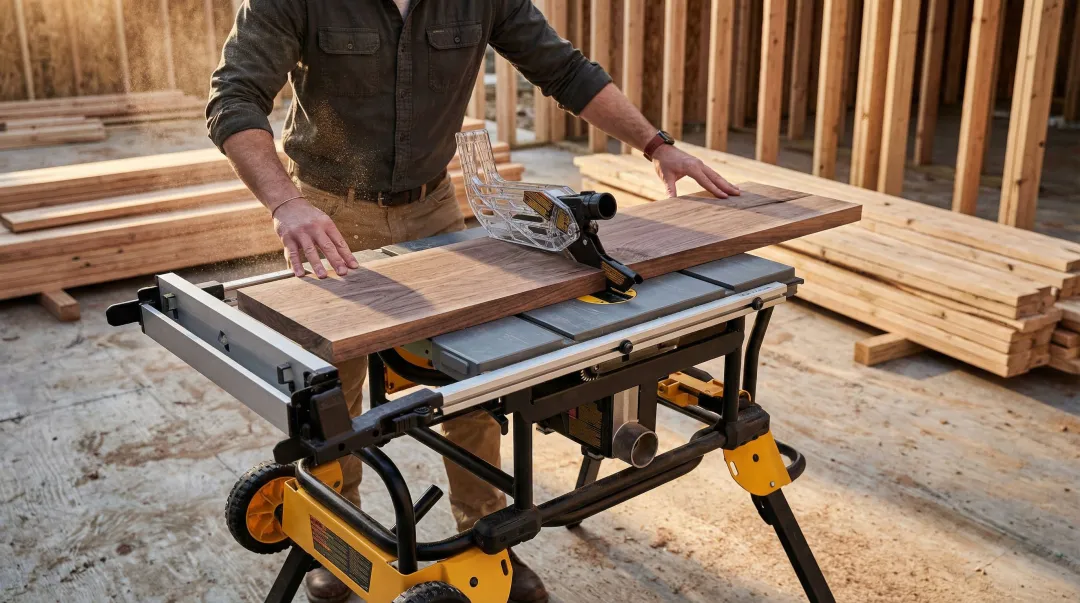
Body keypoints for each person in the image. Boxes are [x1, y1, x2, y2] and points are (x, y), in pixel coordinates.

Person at [208, 1, 739, 601]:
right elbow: (234, 97)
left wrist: (656, 145)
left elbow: (565, 71)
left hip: (433, 208)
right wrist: (285, 204)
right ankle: (336, 535)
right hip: (331, 213)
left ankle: (486, 541)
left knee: (471, 381)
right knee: (332, 392)